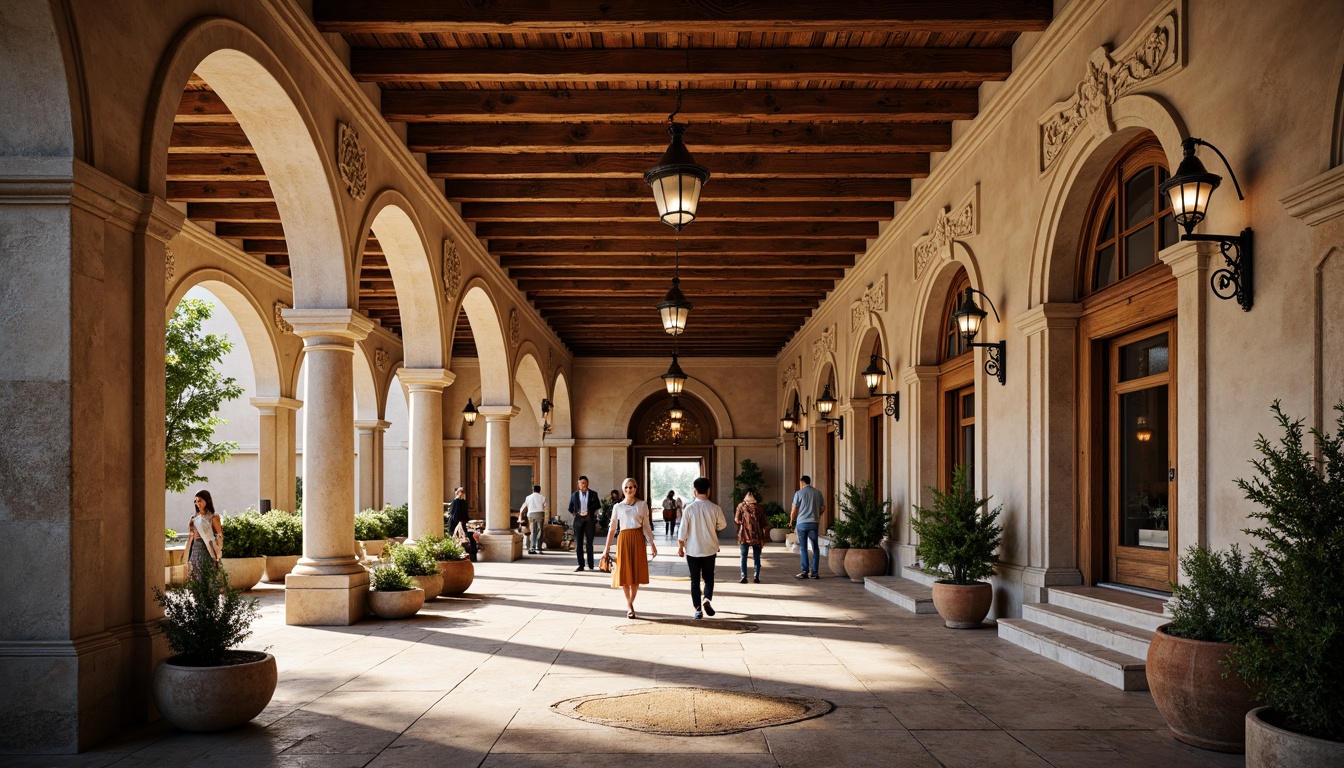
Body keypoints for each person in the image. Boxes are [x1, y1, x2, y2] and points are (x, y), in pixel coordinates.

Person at [601, 477, 657, 619]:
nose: (629, 489)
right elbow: (612, 529)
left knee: (636, 575)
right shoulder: (617, 507)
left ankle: (631, 602)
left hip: (638, 539)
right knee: (625, 575)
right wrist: (606, 549)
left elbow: (646, 526)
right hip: (624, 540)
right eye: (626, 487)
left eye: (631, 487)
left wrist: (652, 544)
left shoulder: (642, 505)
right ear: (623, 489)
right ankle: (629, 605)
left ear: (636, 488)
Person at [678, 477, 726, 620]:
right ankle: (707, 599)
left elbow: (682, 532)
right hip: (710, 549)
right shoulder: (715, 508)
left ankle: (698, 610)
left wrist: (681, 547)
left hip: (693, 550)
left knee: (694, 580)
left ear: (695, 490)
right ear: (709, 490)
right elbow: (722, 525)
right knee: (709, 578)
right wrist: (714, 527)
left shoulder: (689, 508)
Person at [790, 475, 827, 579]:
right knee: (815, 547)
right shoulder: (818, 493)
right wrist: (818, 515)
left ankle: (805, 571)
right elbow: (823, 507)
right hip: (814, 523)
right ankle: (815, 572)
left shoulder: (798, 493)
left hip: (801, 523)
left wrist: (792, 519)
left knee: (803, 547)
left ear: (802, 482)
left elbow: (794, 510)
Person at [184, 490, 223, 577]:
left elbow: (220, 536)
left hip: (208, 550)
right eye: (196, 501)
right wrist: (186, 555)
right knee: (196, 577)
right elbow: (190, 537)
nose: (198, 504)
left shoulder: (214, 517)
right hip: (195, 551)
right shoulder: (194, 518)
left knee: (209, 577)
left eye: (200, 501)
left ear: (207, 500)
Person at [735, 489, 769, 584]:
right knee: (757, 557)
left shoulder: (741, 506)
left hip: (744, 536)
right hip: (757, 536)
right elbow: (764, 524)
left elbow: (737, 520)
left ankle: (744, 576)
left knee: (743, 556)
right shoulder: (759, 508)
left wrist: (742, 523)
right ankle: (756, 577)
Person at [568, 476, 601, 571]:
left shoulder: (593, 494)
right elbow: (570, 507)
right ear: (578, 485)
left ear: (588, 484)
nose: (584, 485)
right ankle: (581, 564)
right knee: (578, 543)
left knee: (589, 543)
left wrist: (589, 511)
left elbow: (598, 505)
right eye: (582, 483)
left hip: (589, 520)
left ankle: (590, 564)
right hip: (578, 521)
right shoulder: (574, 495)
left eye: (585, 483)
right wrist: (575, 512)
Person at [446, 486, 477, 561]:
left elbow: (453, 515)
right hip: (462, 523)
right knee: (464, 539)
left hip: (456, 524)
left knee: (456, 539)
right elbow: (465, 515)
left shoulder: (456, 502)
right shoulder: (463, 502)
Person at [520, 484, 547, 554]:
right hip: (540, 514)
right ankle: (539, 547)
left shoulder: (528, 497)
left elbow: (523, 507)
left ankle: (532, 547)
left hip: (531, 514)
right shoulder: (542, 497)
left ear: (533, 490)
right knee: (540, 531)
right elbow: (544, 505)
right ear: (540, 490)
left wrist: (520, 516)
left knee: (533, 531)